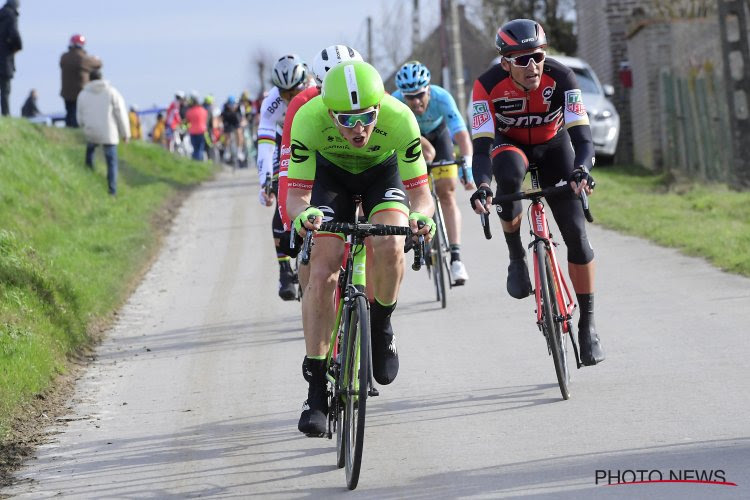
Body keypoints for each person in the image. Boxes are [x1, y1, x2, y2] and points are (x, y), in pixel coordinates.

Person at [286, 61, 435, 436]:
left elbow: (420, 195)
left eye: (367, 117)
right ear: (328, 110)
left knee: (389, 239)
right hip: (330, 178)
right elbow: (297, 197)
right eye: (347, 120)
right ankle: (316, 386)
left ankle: (381, 323)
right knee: (321, 270)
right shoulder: (307, 118)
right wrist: (303, 217)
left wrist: (421, 217)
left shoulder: (400, 118)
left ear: (379, 107)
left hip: (381, 176)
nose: (359, 129)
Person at [469, 19, 604, 366]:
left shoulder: (562, 77)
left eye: (538, 57)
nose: (532, 66)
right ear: (505, 62)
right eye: (522, 59)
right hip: (509, 147)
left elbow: (583, 136)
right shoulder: (486, 86)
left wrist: (582, 169)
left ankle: (588, 323)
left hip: (554, 148)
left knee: (576, 233)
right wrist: (483, 186)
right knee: (509, 175)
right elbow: (482, 147)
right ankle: (516, 257)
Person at [393, 61, 475, 285]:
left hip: (439, 136)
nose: (416, 102)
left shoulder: (442, 98)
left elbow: (461, 135)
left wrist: (467, 165)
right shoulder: (395, 102)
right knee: (409, 189)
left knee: (447, 192)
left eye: (420, 95)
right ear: (403, 96)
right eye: (410, 97)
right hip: (410, 139)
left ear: (428, 89)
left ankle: (456, 258)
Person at [256, 54, 310, 300]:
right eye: (285, 94)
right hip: (283, 140)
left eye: (294, 92)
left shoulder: (316, 90)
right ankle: (284, 270)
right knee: (281, 193)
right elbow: (265, 145)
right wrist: (266, 180)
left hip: (310, 137)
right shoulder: (271, 103)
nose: (290, 99)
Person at [76, 69, 130, 196]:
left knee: (90, 154)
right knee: (111, 162)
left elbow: (79, 115)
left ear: (89, 79)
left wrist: (83, 125)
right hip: (109, 132)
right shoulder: (111, 92)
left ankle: (89, 183)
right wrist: (125, 134)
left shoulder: (83, 94)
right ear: (102, 78)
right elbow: (120, 113)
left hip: (91, 131)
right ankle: (112, 191)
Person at [60, 33, 102, 127]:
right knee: (78, 114)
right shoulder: (83, 59)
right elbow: (98, 64)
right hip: (80, 92)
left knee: (69, 112)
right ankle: (76, 131)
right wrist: (96, 59)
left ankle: (69, 130)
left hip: (66, 92)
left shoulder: (64, 57)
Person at [0, 0, 21, 116]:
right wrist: (17, 46)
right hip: (5, 58)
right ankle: (6, 114)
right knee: (5, 89)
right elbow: (14, 34)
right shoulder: (11, 15)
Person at [185, 91, 208, 160]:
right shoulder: (203, 110)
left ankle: (196, 162)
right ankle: (199, 163)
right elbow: (206, 120)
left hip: (193, 132)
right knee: (200, 149)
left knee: (195, 149)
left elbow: (187, 121)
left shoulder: (189, 111)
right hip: (202, 131)